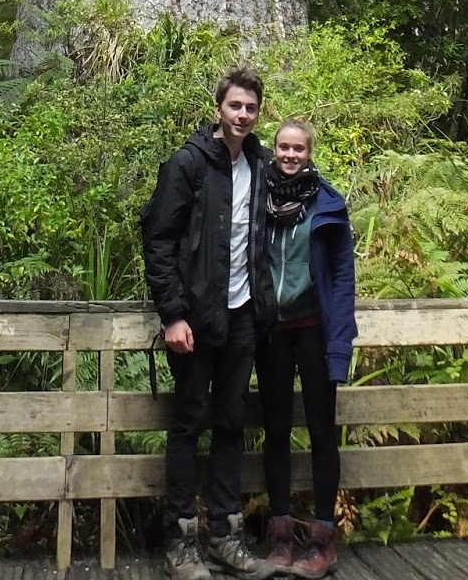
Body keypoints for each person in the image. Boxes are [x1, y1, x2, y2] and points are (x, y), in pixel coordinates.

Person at [141, 67, 278, 580]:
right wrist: (173, 314)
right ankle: (181, 540)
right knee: (189, 422)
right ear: (218, 108)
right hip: (196, 318)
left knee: (231, 423)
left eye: (251, 108)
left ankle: (225, 534)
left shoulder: (261, 163)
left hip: (243, 316)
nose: (242, 115)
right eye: (235, 105)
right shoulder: (189, 163)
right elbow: (158, 239)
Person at [255, 118, 357, 579]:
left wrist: (340, 341)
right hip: (272, 330)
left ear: (309, 152)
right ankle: (280, 536)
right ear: (274, 149)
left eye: (298, 148)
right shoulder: (259, 199)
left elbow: (342, 277)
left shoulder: (327, 203)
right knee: (276, 429)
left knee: (320, 430)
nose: (290, 155)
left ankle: (322, 540)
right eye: (283, 147)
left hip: (314, 328)